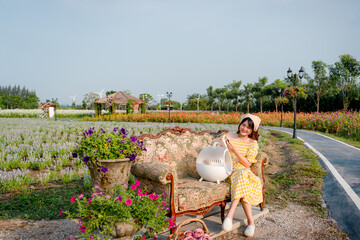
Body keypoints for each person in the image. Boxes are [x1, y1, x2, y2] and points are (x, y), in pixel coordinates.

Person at [222, 113, 262, 237]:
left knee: (242, 177)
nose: (244, 129)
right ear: (240, 125)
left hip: (242, 172)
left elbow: (247, 164)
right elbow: (218, 149)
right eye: (243, 125)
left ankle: (230, 215)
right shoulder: (229, 136)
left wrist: (235, 150)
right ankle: (251, 223)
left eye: (248, 128)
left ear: (252, 130)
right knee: (243, 181)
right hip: (226, 170)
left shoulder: (252, 143)